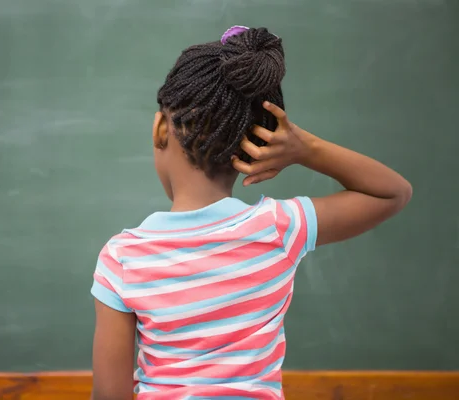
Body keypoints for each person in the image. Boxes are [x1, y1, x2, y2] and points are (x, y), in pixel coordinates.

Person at [90, 26, 412, 400]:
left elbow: (109, 396)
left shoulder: (123, 258)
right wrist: (306, 148)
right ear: (258, 142)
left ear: (161, 129)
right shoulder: (278, 229)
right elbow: (392, 192)